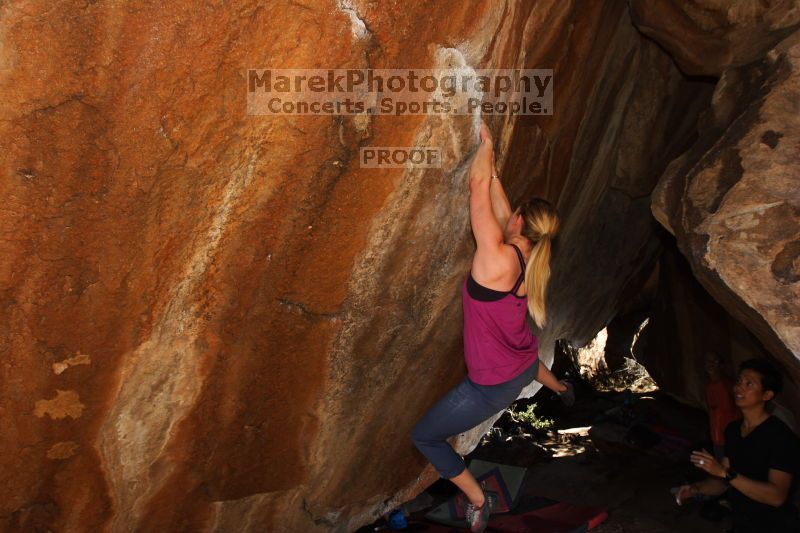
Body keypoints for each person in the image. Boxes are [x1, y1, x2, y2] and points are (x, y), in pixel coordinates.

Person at [411, 121, 573, 533]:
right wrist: (494, 162)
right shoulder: (530, 261)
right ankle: (559, 388)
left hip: (492, 385)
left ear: (519, 222)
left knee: (426, 437)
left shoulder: (498, 259)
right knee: (525, 354)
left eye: (515, 214)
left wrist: (487, 144)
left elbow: (477, 188)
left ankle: (479, 499)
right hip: (520, 365)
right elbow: (501, 206)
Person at [678, 359, 800, 532]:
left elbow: (776, 496)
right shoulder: (733, 430)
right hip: (743, 523)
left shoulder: (781, 437)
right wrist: (697, 489)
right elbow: (724, 482)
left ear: (767, 395)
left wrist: (724, 473)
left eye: (749, 384)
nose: (739, 387)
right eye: (739, 381)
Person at [705, 351, 740, 461]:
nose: (710, 364)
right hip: (717, 437)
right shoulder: (710, 386)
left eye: (715, 361)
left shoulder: (727, 385)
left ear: (722, 365)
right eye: (708, 361)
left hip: (730, 438)